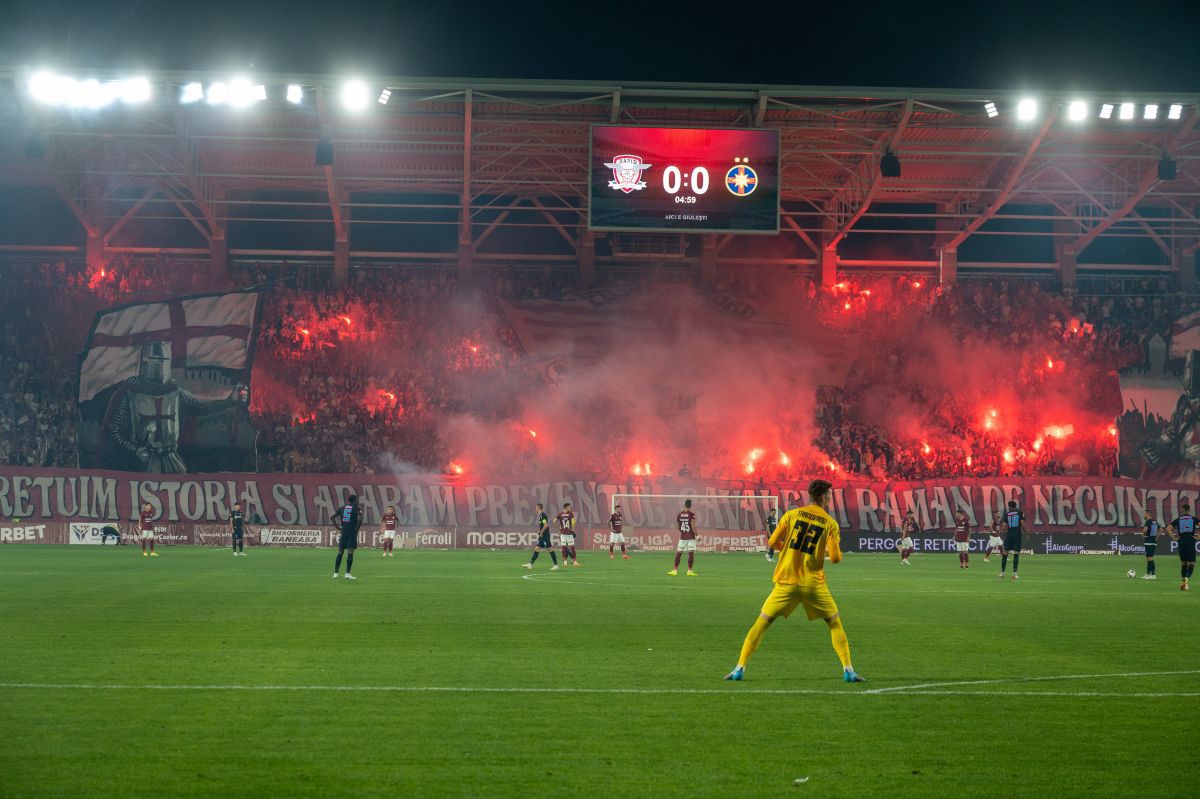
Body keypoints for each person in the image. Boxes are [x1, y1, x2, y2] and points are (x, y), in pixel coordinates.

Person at [723, 479, 864, 683]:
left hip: (786, 582)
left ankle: (739, 668)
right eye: (829, 496)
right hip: (813, 585)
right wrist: (822, 550)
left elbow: (772, 542)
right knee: (834, 623)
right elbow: (835, 558)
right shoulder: (830, 524)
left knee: (761, 623)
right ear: (824, 497)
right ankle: (848, 670)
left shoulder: (791, 515)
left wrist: (789, 548)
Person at [331, 494, 362, 580]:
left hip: (344, 532)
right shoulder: (357, 508)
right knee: (350, 553)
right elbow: (360, 519)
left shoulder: (342, 508)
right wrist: (357, 529)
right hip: (352, 532)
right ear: (355, 500)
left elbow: (332, 517)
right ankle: (347, 574)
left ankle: (336, 573)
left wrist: (338, 528)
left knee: (340, 553)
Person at [1168, 501, 1197, 591]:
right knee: (1191, 563)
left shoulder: (1178, 519)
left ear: (1182, 510)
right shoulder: (1194, 519)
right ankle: (1186, 579)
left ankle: (1184, 583)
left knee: (1183, 563)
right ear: (1189, 510)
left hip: (1181, 542)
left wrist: (1174, 538)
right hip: (1190, 541)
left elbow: (1168, 529)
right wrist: (1198, 537)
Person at [522, 503, 559, 571]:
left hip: (545, 536)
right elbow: (543, 525)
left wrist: (541, 532)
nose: (535, 509)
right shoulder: (540, 515)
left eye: (536, 507)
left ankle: (556, 565)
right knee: (536, 548)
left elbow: (546, 525)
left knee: (550, 549)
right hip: (542, 536)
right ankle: (530, 564)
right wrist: (540, 531)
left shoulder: (542, 515)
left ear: (538, 508)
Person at [668, 499, 699, 576]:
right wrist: (697, 535)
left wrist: (683, 532)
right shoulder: (692, 515)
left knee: (679, 553)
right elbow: (693, 526)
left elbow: (678, 526)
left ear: (684, 505)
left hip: (683, 537)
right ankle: (689, 571)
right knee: (691, 553)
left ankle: (675, 570)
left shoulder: (679, 514)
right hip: (691, 537)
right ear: (690, 506)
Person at [1000, 500, 1027, 580]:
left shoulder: (1007, 514)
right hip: (1017, 535)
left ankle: (1002, 573)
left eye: (1009, 507)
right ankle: (1014, 574)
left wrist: (1003, 534)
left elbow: (1004, 527)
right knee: (1016, 554)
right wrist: (1027, 533)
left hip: (1009, 535)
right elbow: (1022, 524)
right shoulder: (1019, 513)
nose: (1008, 508)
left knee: (1005, 553)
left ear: (1011, 507)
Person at [557, 502, 579, 567]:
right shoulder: (570, 514)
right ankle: (574, 561)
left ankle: (565, 561)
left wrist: (559, 529)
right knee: (572, 546)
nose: (570, 508)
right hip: (569, 533)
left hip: (562, 533)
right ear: (566, 507)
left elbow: (554, 521)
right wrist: (572, 528)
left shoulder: (560, 514)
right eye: (569, 507)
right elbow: (574, 522)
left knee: (563, 547)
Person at [1140, 511, 1160, 580]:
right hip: (1153, 541)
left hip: (1148, 541)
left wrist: (1142, 534)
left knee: (1150, 558)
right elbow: (1160, 529)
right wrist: (1157, 537)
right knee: (1148, 558)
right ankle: (1148, 574)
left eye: (1144, 514)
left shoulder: (1148, 522)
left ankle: (1153, 574)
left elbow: (1145, 530)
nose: (1143, 515)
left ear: (1147, 514)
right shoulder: (1155, 522)